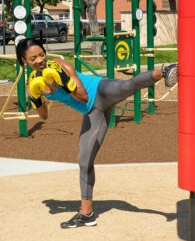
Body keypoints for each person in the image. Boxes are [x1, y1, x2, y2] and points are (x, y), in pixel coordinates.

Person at [16, 38, 178, 229]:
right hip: (93, 112)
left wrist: (65, 80)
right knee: (84, 161)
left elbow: (83, 95)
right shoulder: (33, 84)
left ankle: (166, 70)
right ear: (24, 61)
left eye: (41, 54)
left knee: (127, 86)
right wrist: (36, 98)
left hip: (101, 90)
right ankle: (87, 214)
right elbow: (43, 116)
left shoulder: (61, 66)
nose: (39, 60)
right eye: (33, 58)